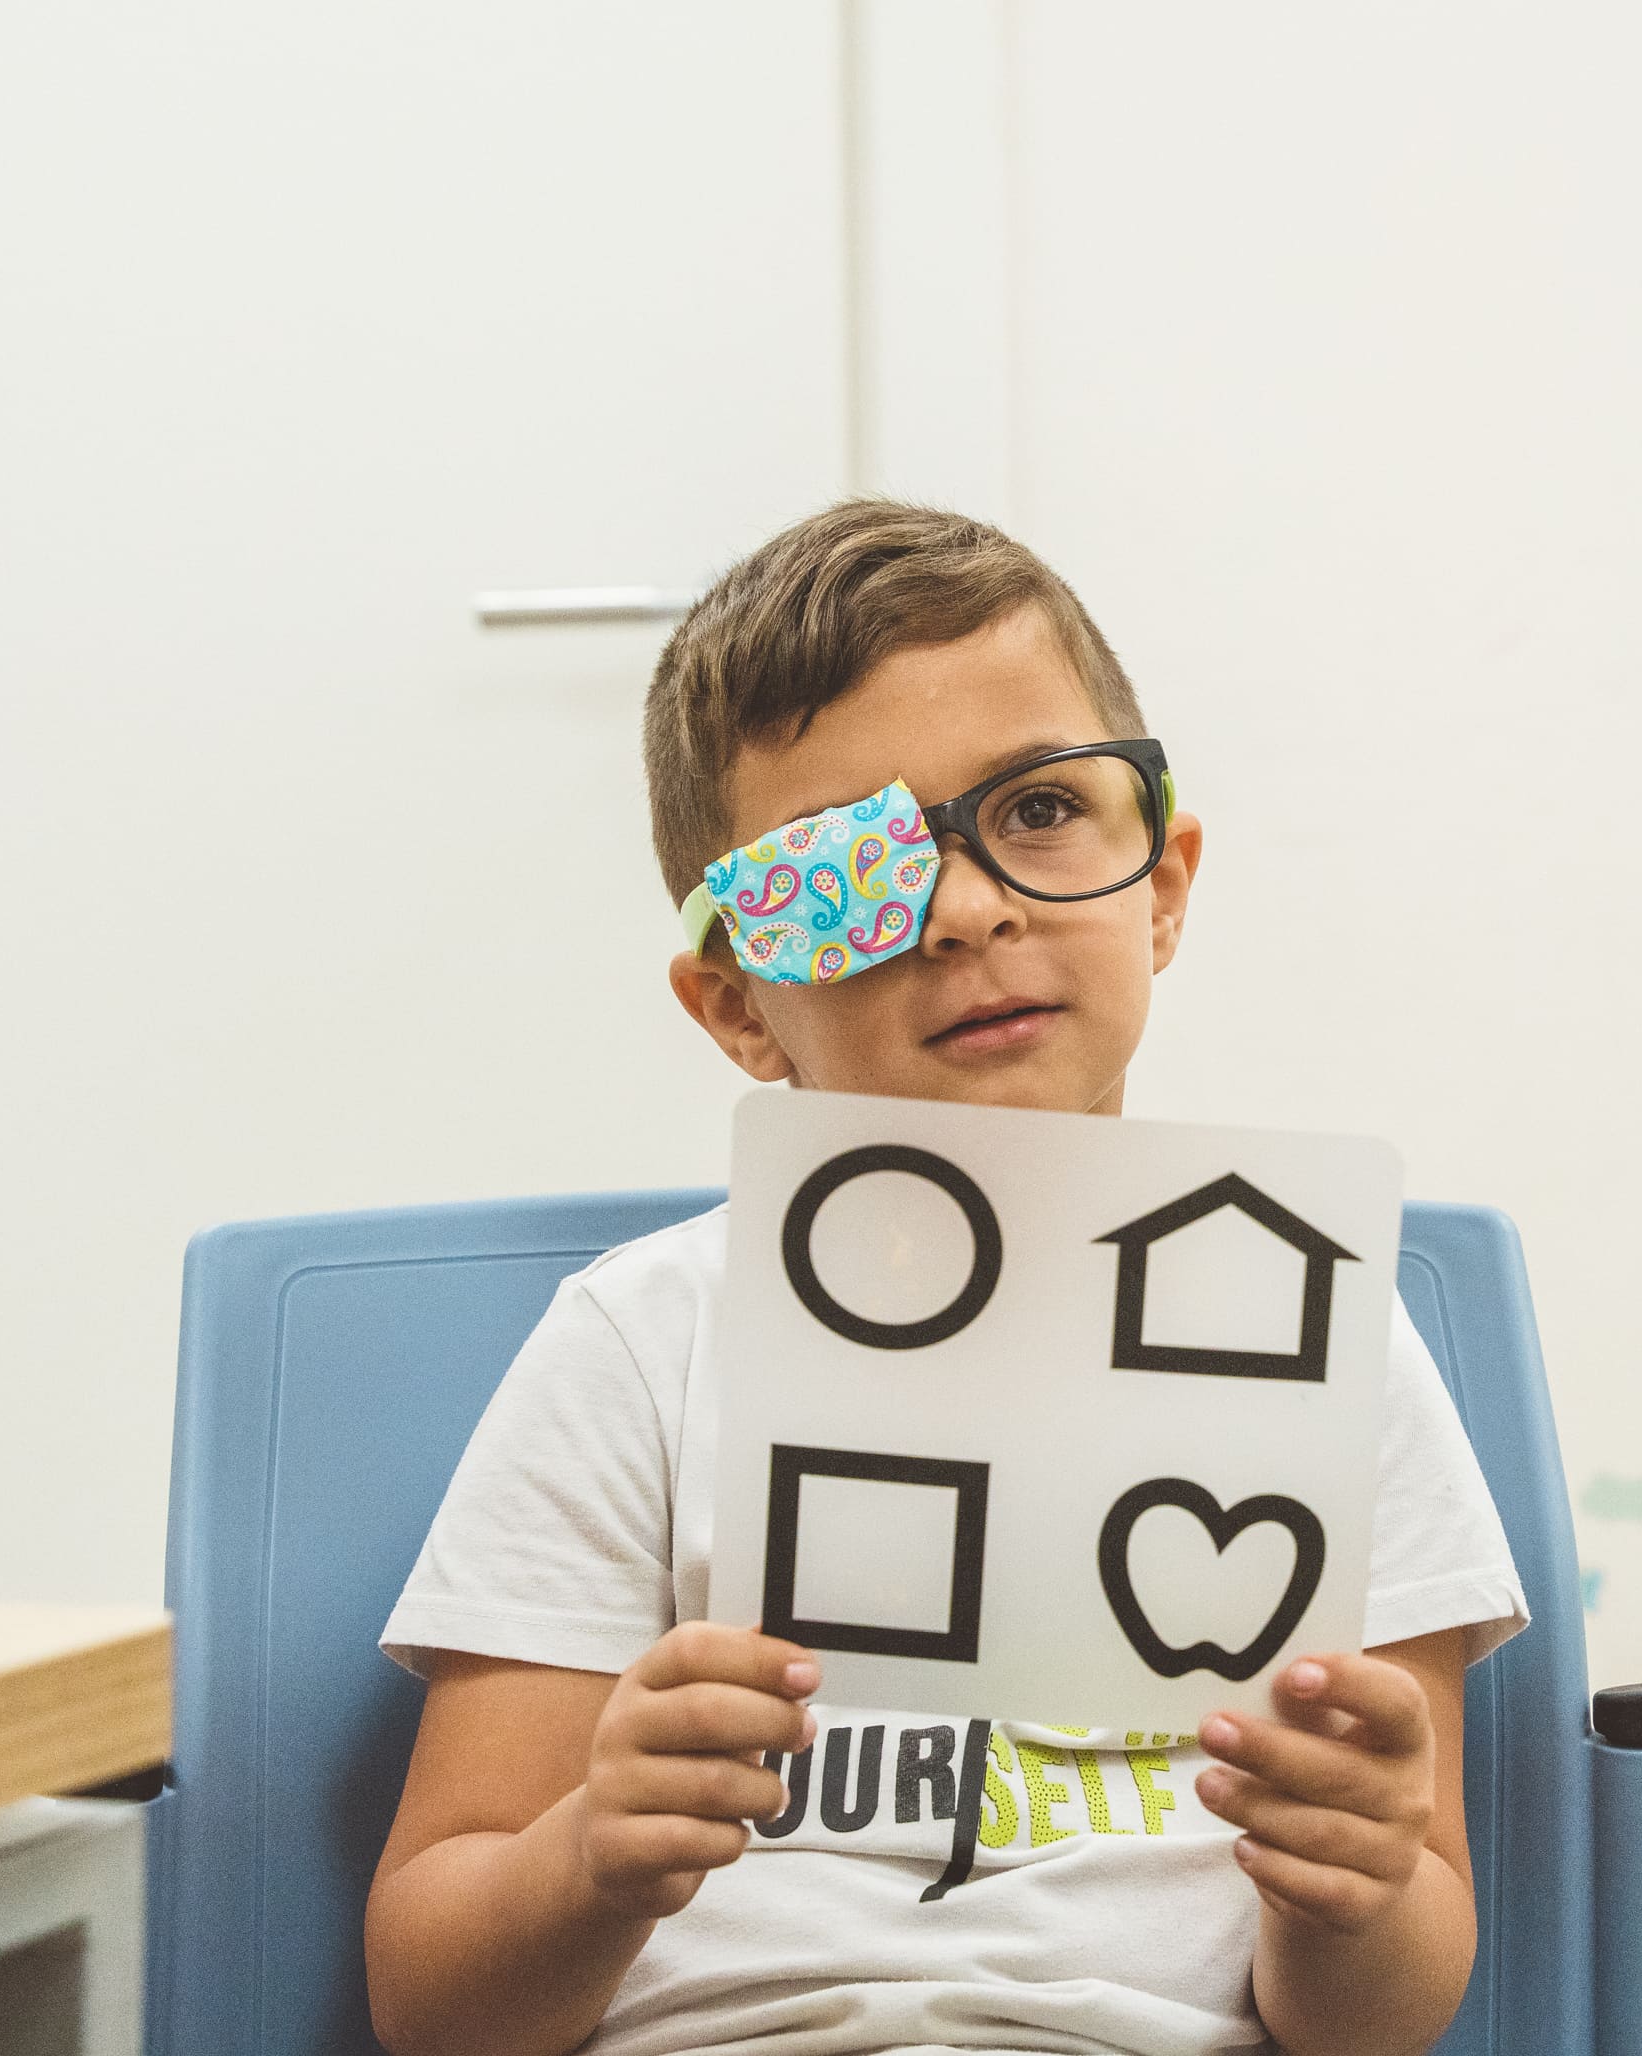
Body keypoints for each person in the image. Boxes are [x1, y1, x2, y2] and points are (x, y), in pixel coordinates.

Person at [363, 500, 1528, 2056]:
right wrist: (590, 1858)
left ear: (1163, 886)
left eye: (1042, 810)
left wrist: (1358, 1887)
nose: (971, 905)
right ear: (740, 1009)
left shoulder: (1323, 1337)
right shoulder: (643, 1343)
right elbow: (433, 2007)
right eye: (850, 868)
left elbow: (1376, 2021)